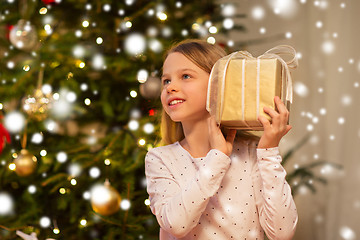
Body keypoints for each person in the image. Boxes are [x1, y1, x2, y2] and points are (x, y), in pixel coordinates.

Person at [145, 39, 298, 240]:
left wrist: (269, 152)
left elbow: (282, 232)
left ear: (219, 85)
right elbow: (176, 224)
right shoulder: (160, 158)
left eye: (185, 76)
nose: (171, 87)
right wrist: (217, 158)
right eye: (166, 80)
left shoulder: (252, 153)